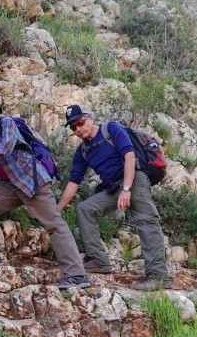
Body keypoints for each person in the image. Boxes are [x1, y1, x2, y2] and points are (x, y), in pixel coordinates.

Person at [0, 94, 90, 289]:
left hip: (32, 181)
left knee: (54, 224)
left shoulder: (7, 124)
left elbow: (4, 149)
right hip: (12, 186)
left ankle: (77, 275)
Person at [56, 105, 171, 290]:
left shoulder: (111, 129)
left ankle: (158, 276)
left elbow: (130, 156)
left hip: (135, 177)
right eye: (73, 127)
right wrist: (56, 210)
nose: (78, 129)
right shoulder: (82, 152)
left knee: (146, 220)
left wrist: (126, 189)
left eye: (80, 123)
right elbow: (74, 182)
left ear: (90, 118)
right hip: (114, 186)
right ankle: (99, 261)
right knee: (85, 209)